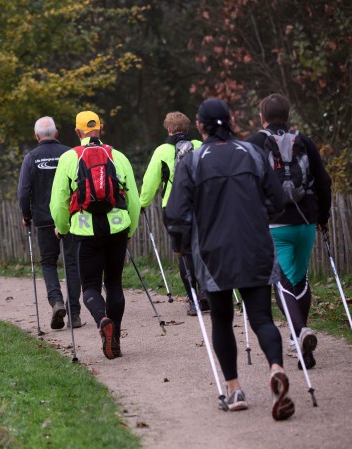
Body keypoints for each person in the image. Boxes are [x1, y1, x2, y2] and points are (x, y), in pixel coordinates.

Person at [165, 98, 294, 420]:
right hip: (256, 248)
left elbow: (176, 214)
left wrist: (182, 240)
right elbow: (278, 200)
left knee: (222, 320)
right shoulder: (252, 152)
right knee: (262, 317)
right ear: (231, 120)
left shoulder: (193, 161)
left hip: (213, 253)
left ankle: (234, 390)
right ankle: (276, 367)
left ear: (199, 126)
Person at [245, 93, 332, 370]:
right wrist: (323, 217)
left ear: (262, 117)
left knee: (279, 280)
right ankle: (302, 344)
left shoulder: (255, 143)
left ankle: (299, 332)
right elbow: (323, 181)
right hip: (305, 220)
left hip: (273, 223)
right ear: (288, 115)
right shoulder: (303, 141)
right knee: (299, 278)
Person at [50, 111, 140, 360]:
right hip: (117, 229)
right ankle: (116, 340)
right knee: (114, 284)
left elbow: (58, 202)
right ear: (101, 128)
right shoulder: (118, 156)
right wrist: (129, 229)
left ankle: (102, 320)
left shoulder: (69, 158)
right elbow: (132, 199)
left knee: (89, 286)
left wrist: (63, 228)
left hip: (85, 231)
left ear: (77, 132)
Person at [139, 111, 208, 316]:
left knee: (183, 253)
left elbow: (150, 182)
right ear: (188, 128)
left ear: (168, 128)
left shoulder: (162, 151)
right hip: (202, 205)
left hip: (174, 207)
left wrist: (142, 202)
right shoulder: (200, 146)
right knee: (203, 248)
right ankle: (206, 291)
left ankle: (193, 300)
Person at [18, 116, 82, 329]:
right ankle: (74, 313)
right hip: (71, 217)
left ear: (37, 136)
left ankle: (55, 301)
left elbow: (24, 191)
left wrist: (27, 215)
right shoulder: (71, 154)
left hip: (44, 220)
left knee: (48, 263)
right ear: (56, 134)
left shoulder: (31, 158)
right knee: (72, 263)